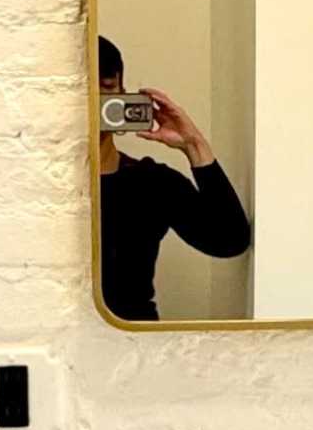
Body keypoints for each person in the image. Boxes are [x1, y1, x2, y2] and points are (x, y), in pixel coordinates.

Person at [95, 35, 250, 322]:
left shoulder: (151, 183)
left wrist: (193, 144)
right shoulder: (27, 190)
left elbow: (229, 240)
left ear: (123, 97)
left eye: (105, 89)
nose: (93, 104)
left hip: (136, 341)